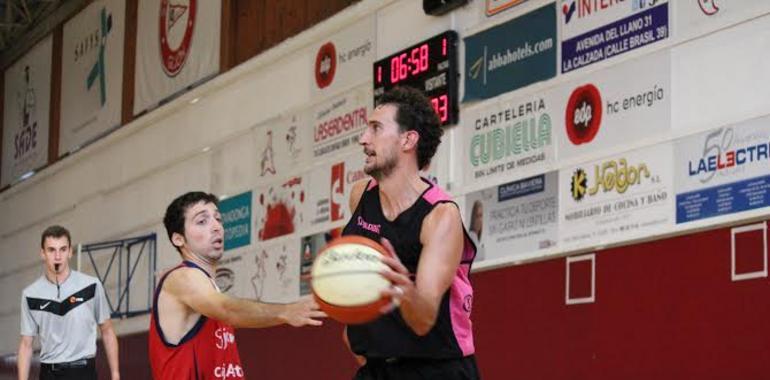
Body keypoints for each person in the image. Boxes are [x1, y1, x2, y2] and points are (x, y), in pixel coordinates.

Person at [342, 86, 480, 379]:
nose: (363, 139)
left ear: (408, 139)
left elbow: (423, 320)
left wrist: (403, 286)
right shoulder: (359, 197)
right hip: (376, 368)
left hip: (437, 369)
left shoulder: (440, 216)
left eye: (376, 129)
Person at [149, 191, 325, 379]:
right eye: (202, 221)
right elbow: (228, 309)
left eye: (218, 219)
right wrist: (286, 311)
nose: (216, 227)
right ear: (179, 239)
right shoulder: (181, 277)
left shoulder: (210, 287)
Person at [18, 225, 120, 380]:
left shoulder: (91, 286)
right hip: (49, 373)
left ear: (70, 252)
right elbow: (26, 344)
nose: (57, 256)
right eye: (51, 250)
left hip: (84, 371)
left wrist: (115, 374)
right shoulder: (30, 294)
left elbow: (107, 331)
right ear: (42, 254)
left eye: (63, 249)